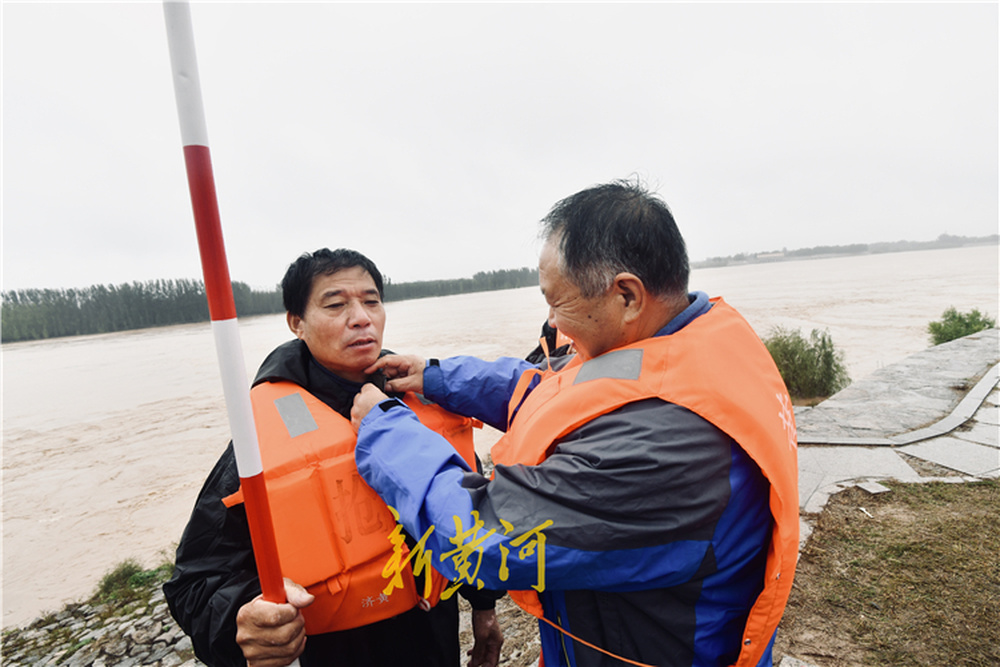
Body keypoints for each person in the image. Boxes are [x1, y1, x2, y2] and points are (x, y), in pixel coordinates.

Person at [350, 181, 800, 667]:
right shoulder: (690, 343)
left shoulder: (662, 446)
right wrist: (437, 377)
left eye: (556, 302)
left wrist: (384, 430)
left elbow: (478, 538)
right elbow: (547, 388)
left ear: (627, 295)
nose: (553, 323)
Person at [164, 248, 504, 667]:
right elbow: (195, 581)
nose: (361, 317)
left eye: (371, 300)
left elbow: (465, 506)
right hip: (339, 650)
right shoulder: (259, 438)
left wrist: (484, 607)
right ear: (297, 322)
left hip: (432, 636)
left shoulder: (419, 397)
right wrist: (239, 619)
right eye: (336, 304)